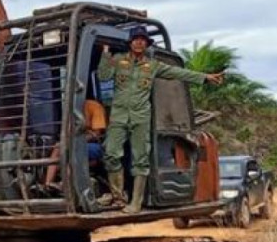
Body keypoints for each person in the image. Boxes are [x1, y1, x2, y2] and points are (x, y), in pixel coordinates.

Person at [98, 25, 223, 212]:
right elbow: (103, 76)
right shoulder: (118, 60)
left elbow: (179, 73)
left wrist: (205, 77)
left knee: (140, 159)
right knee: (111, 154)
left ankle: (136, 202)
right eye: (136, 39)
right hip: (119, 116)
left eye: (143, 40)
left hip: (140, 117)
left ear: (146, 44)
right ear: (130, 43)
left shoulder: (153, 66)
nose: (139, 42)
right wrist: (105, 54)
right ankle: (118, 197)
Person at [43, 97, 106, 187]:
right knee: (58, 148)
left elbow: (96, 134)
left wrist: (75, 141)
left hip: (95, 145)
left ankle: (66, 186)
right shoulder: (71, 111)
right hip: (75, 142)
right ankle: (48, 184)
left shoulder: (94, 106)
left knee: (73, 153)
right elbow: (68, 133)